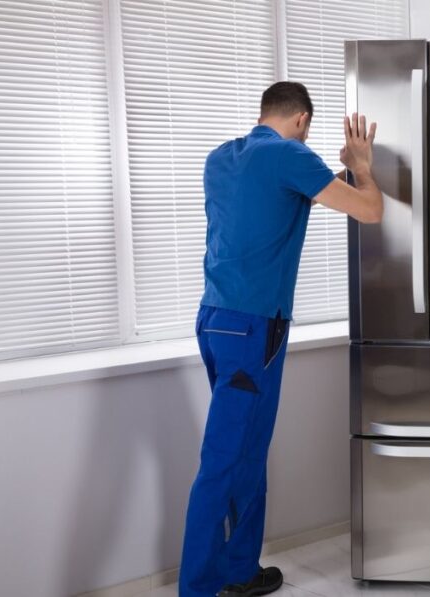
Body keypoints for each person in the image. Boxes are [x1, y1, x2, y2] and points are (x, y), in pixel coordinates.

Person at [179, 81, 382, 597]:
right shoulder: (292, 155)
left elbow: (276, 201)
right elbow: (370, 210)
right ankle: (198, 589)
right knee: (224, 461)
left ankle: (241, 570)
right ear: (302, 121)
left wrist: (336, 174)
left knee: (246, 449)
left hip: (215, 320)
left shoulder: (221, 158)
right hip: (253, 328)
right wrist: (362, 164)